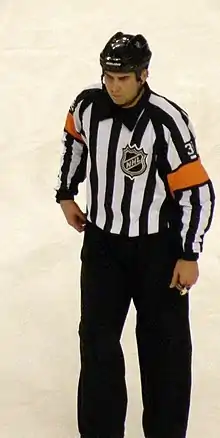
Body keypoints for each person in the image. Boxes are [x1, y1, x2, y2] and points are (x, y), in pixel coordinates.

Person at [55, 32, 215, 438]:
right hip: (104, 246)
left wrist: (189, 253)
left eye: (123, 77)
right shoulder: (88, 105)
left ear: (143, 75)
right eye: (108, 75)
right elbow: (74, 140)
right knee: (97, 344)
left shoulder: (167, 120)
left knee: (165, 351)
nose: (113, 84)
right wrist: (67, 192)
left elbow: (196, 192)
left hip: (157, 251)